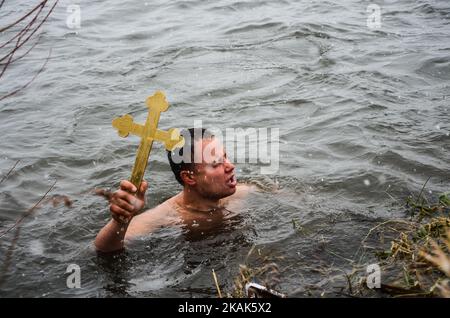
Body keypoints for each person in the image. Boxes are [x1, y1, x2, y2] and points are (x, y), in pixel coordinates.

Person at [95, 128, 253, 252]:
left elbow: (274, 192)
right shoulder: (168, 217)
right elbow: (102, 249)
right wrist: (120, 221)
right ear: (189, 177)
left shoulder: (240, 194)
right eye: (216, 163)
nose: (230, 166)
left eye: (225, 156)